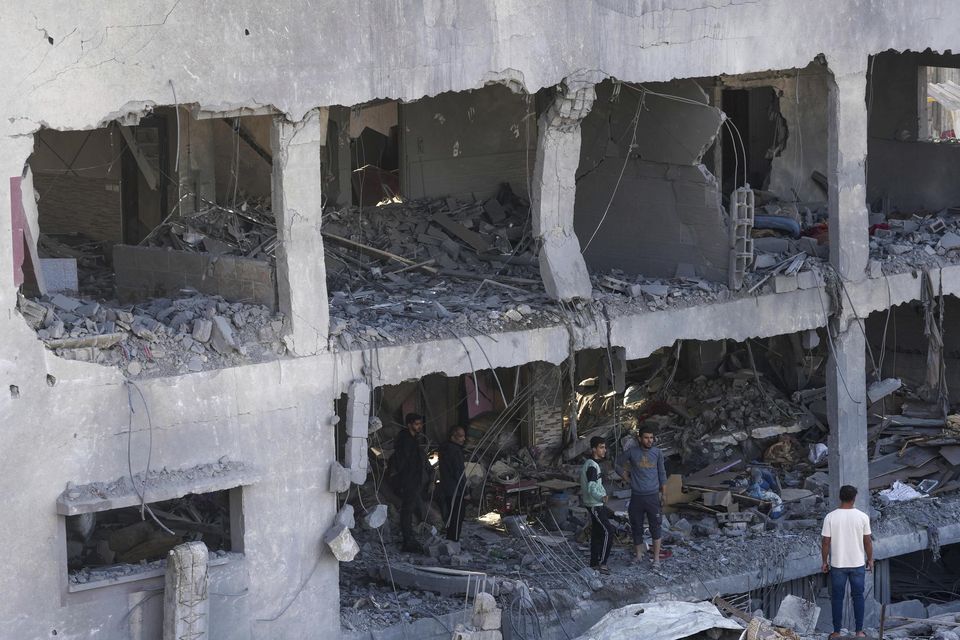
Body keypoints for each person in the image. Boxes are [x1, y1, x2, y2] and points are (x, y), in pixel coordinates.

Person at [821, 485, 873, 639]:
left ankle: (836, 632)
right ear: (854, 498)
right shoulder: (862, 516)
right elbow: (868, 542)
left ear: (840, 497)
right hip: (857, 564)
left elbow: (825, 542)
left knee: (837, 598)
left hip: (838, 565)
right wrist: (870, 559)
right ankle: (859, 631)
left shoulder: (830, 517)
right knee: (858, 596)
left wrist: (825, 561)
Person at [615, 428, 666, 567]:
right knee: (636, 526)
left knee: (655, 527)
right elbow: (617, 463)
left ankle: (656, 559)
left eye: (651, 437)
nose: (649, 440)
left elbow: (662, 474)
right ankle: (638, 555)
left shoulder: (657, 453)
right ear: (639, 438)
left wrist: (664, 494)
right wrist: (626, 477)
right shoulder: (632, 453)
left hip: (653, 497)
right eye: (646, 437)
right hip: (637, 497)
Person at [391, 413, 430, 552]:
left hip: (414, 480)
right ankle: (408, 541)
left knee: (409, 509)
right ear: (409, 424)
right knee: (407, 511)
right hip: (409, 481)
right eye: (416, 424)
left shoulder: (412, 439)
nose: (419, 426)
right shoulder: (405, 440)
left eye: (420, 424)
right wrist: (407, 480)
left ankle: (409, 539)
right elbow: (404, 464)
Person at [580, 436, 614, 573]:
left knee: (597, 532)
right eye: (601, 447)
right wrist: (602, 497)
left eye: (604, 447)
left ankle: (594, 563)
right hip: (594, 504)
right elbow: (592, 487)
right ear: (594, 449)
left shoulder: (592, 464)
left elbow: (596, 485)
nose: (604, 450)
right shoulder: (592, 466)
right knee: (608, 531)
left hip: (594, 503)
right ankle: (603, 564)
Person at [438, 426, 468, 543]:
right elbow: (459, 472)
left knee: (451, 514)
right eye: (461, 436)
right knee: (457, 516)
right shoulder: (455, 451)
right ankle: (453, 540)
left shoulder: (443, 448)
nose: (464, 439)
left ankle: (450, 539)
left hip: (447, 488)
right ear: (453, 436)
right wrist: (465, 491)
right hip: (456, 490)